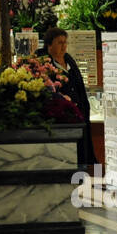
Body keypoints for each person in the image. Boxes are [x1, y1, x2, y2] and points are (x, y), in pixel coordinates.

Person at [38, 27, 93, 168]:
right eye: (59, 43)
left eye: (65, 42)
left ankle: (82, 170)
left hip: (78, 111)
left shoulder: (69, 59)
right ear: (49, 45)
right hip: (61, 115)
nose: (63, 46)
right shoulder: (44, 63)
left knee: (82, 147)